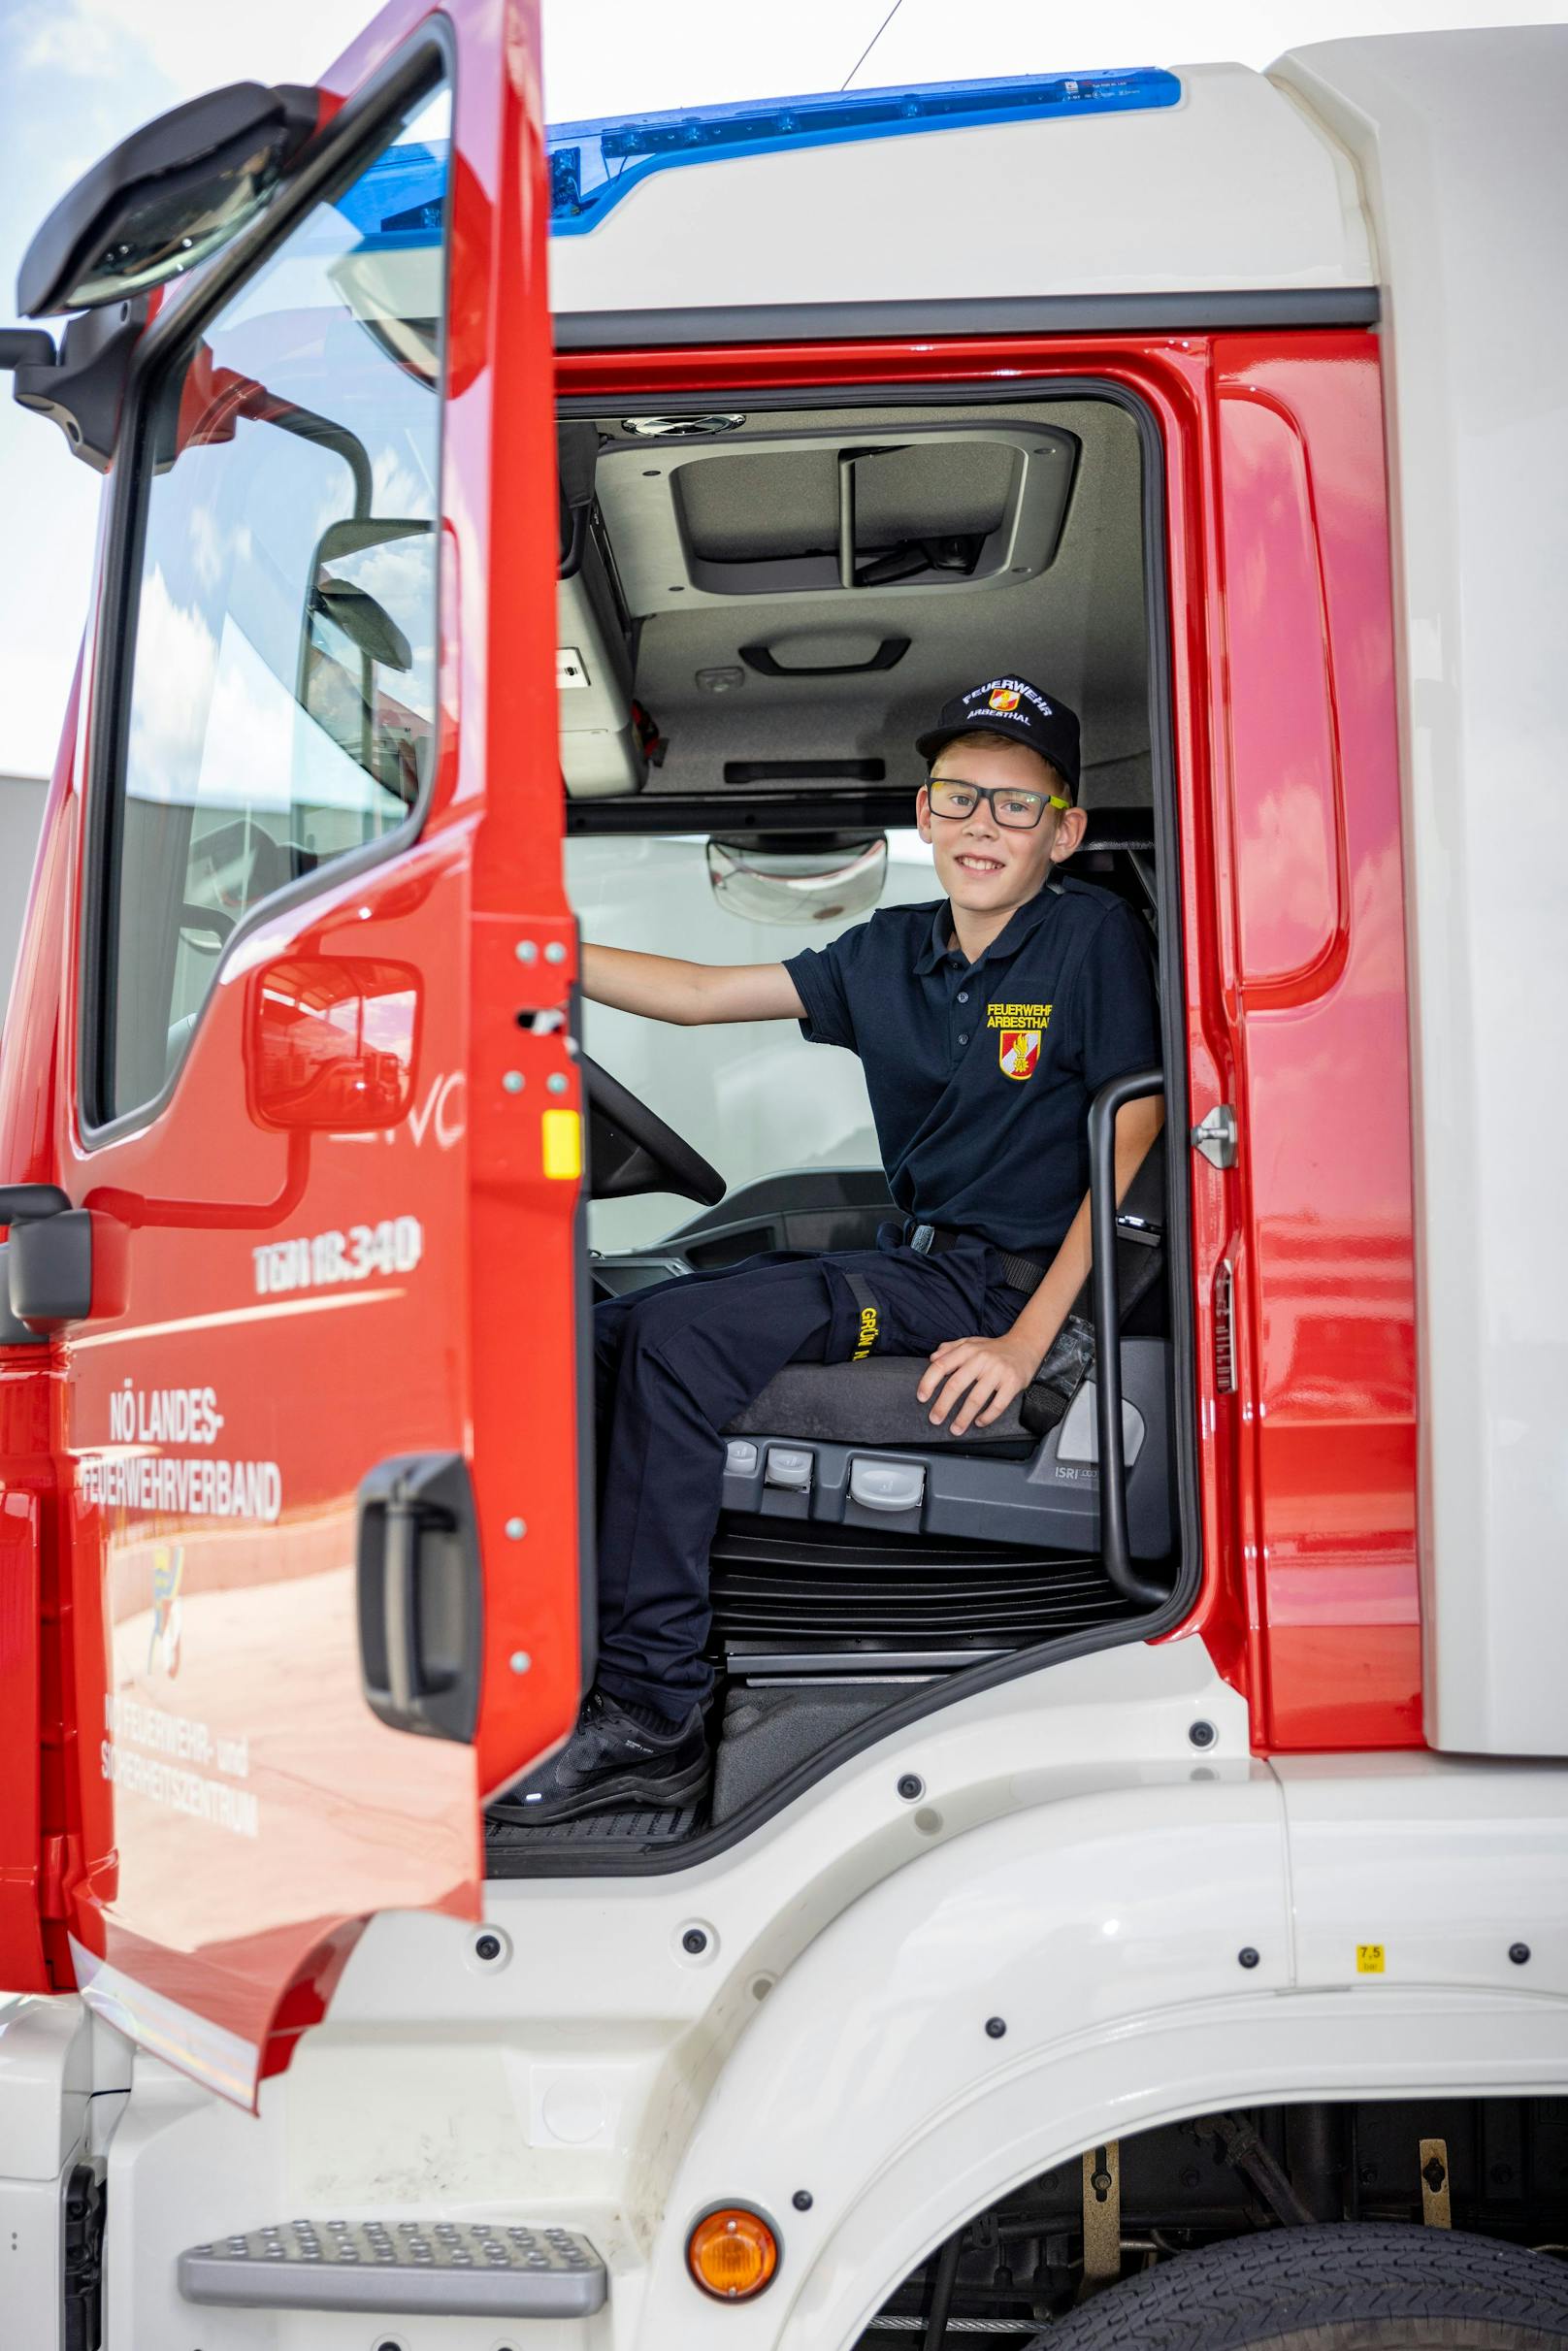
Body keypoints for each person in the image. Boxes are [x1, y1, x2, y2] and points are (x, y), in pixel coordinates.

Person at [494, 676, 1163, 1823]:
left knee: (673, 1341)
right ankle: (569, 1661)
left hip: (991, 1291)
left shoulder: (1086, 939)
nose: (980, 827)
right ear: (925, 809)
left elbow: (1135, 1127)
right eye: (959, 798)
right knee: (600, 1333)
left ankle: (651, 1718)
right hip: (918, 1264)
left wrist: (1022, 1339)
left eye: (1015, 806)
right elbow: (701, 995)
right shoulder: (890, 950)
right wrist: (525, 954)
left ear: (1065, 829)